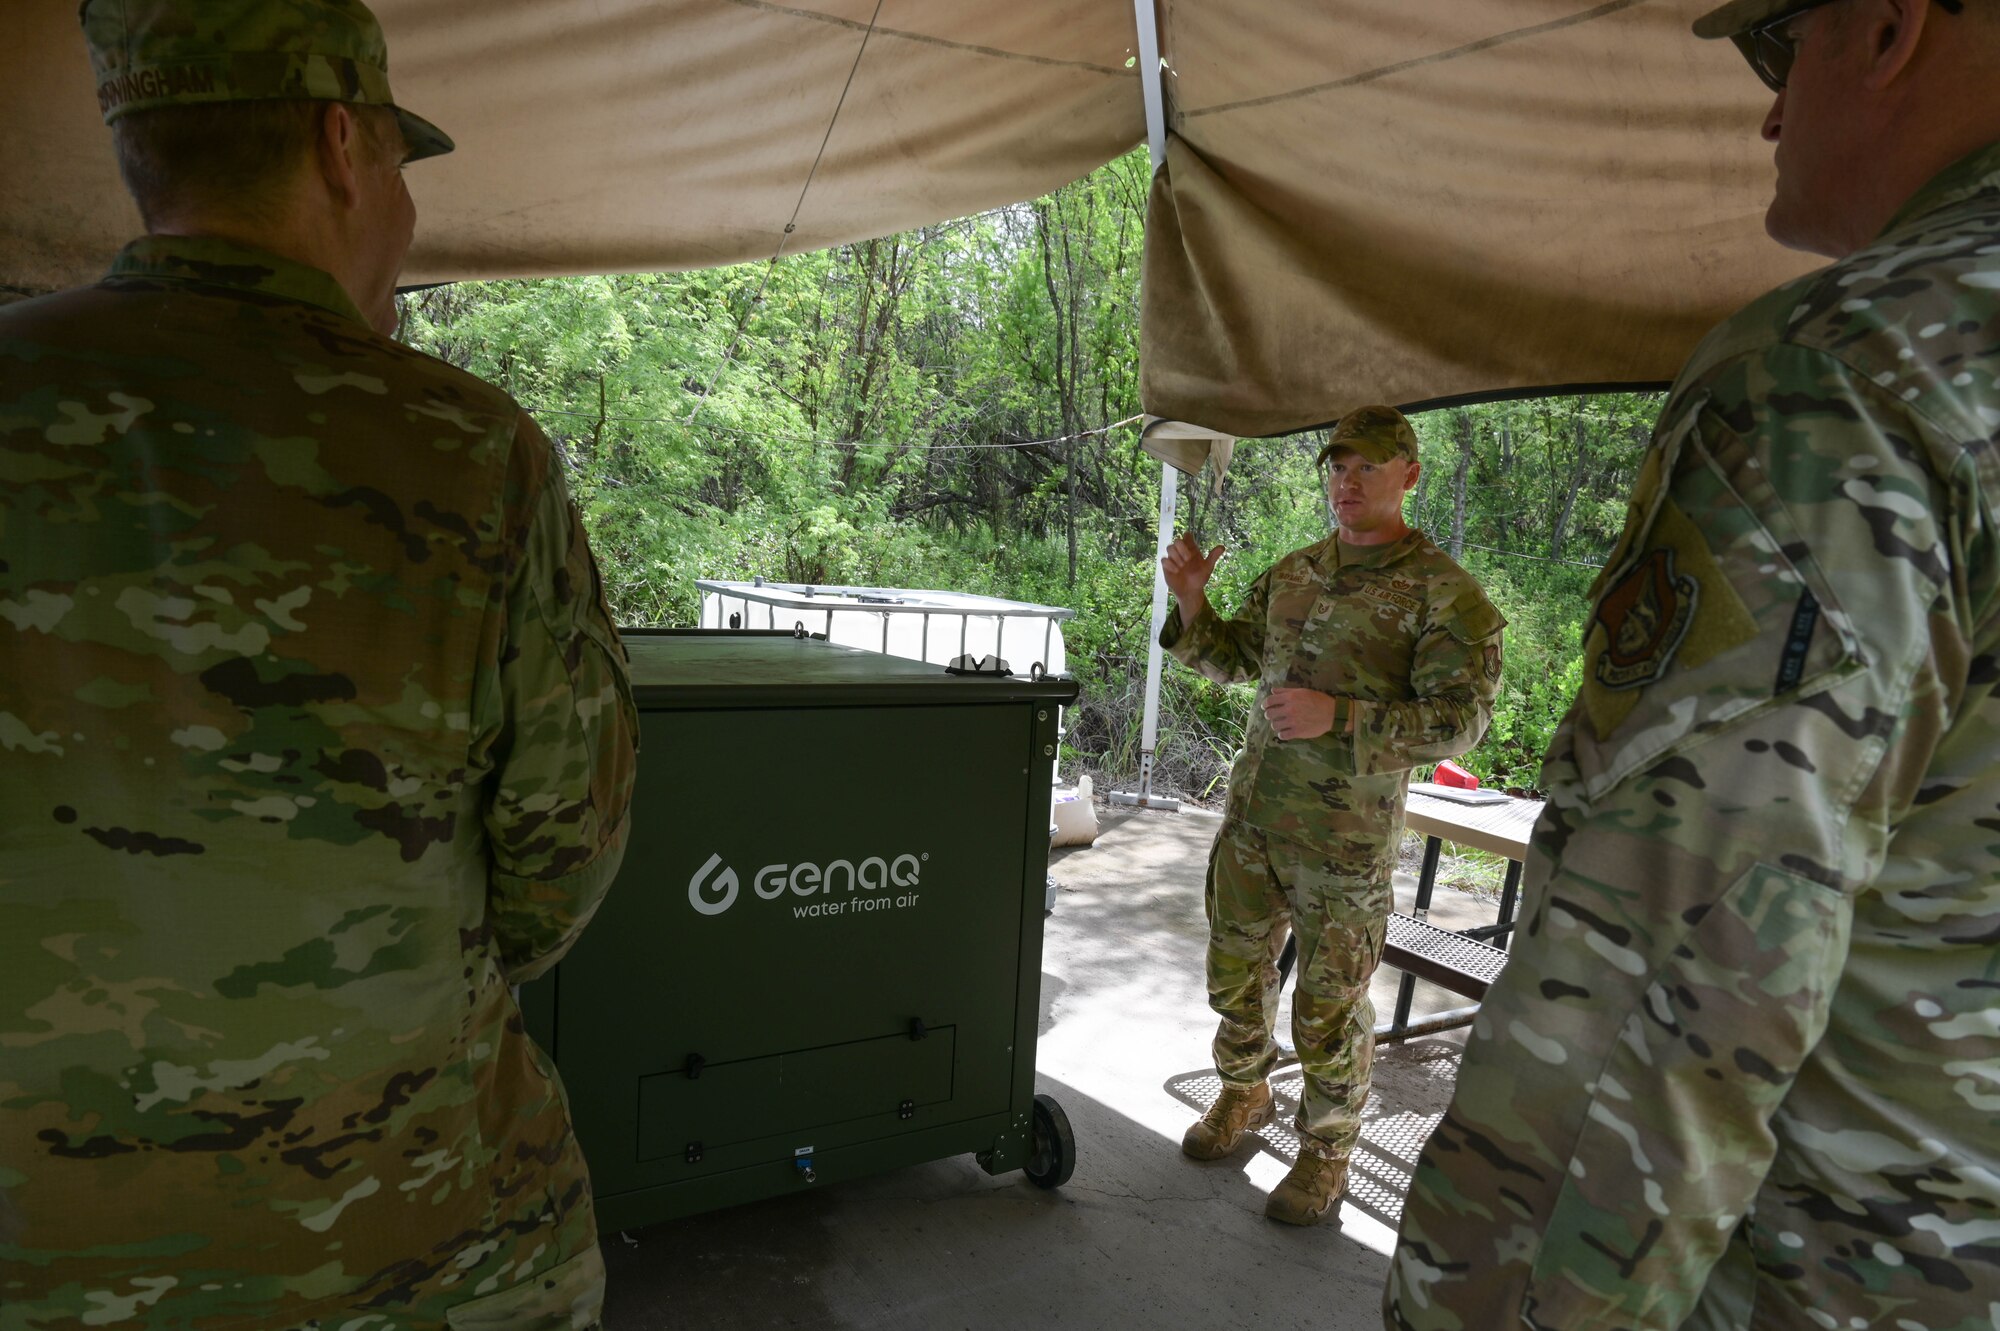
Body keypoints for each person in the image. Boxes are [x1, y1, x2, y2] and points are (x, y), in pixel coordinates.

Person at [0, 2, 639, 1326]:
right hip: (408, 1244)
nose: (406, 219)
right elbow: (561, 859)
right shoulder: (471, 454)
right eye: (404, 173)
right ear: (341, 146)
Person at [1386, 0, 2000, 1325]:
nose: (1771, 110)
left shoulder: (1854, 370)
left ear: (1889, 28)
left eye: (1780, 48)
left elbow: (1655, 989)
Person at [1159, 406, 1504, 1225]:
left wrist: (1341, 716)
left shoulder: (1445, 593)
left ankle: (1326, 1152)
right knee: (1235, 980)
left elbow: (1462, 721)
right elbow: (1236, 659)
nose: (1347, 483)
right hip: (1254, 821)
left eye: (1367, 468)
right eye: (1337, 467)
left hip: (1343, 846)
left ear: (1408, 476)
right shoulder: (1296, 569)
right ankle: (1243, 1094)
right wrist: (1193, 604)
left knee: (1328, 1007)